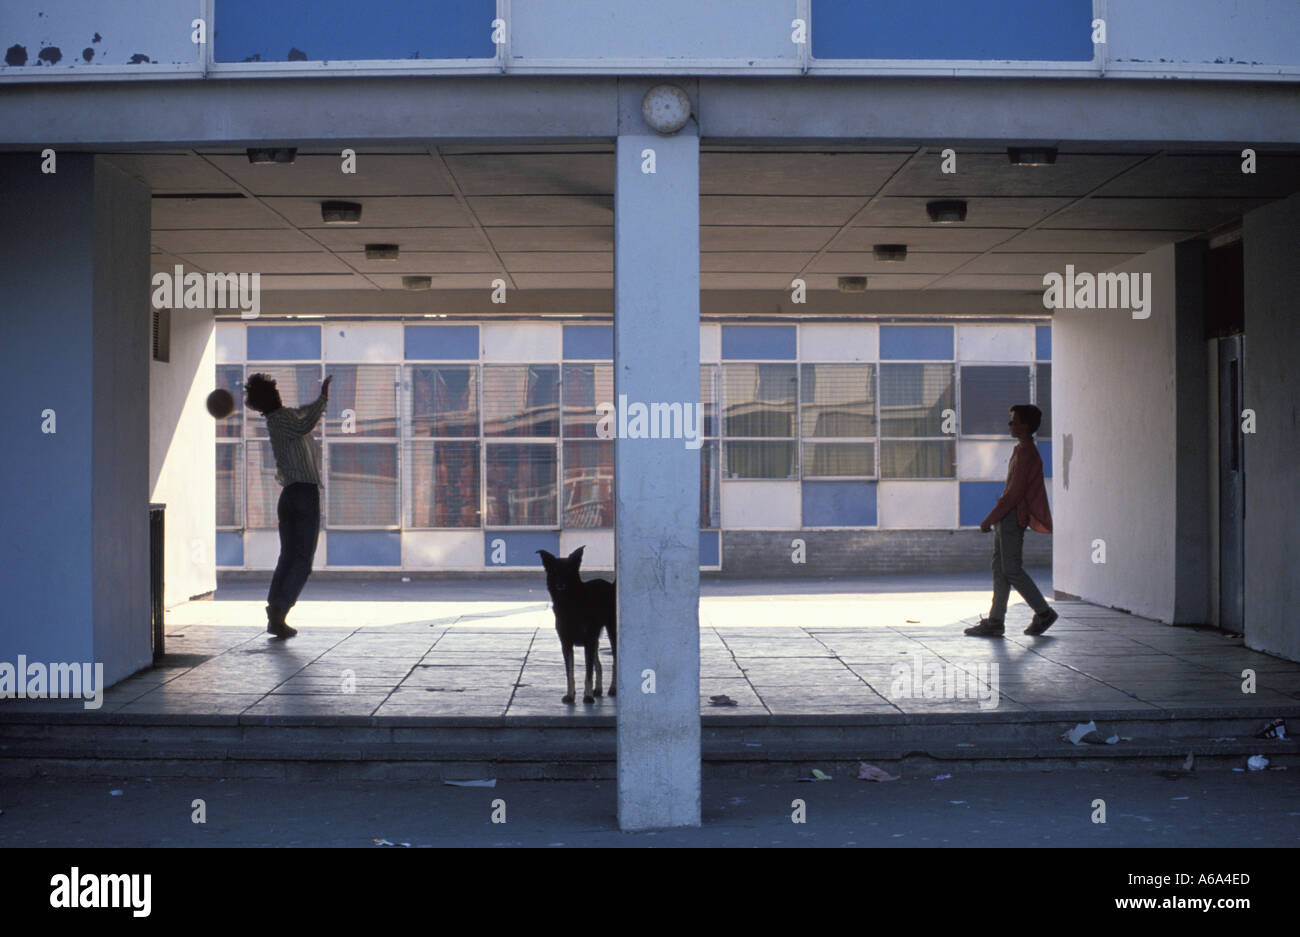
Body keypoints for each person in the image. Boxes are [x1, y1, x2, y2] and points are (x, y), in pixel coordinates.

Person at [244, 372, 332, 639]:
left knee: (288, 557)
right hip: (303, 494)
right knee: (302, 560)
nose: (279, 393)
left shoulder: (283, 417)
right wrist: (324, 398)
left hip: (291, 495)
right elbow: (304, 425)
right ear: (270, 398)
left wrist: (317, 402)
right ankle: (279, 611)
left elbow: (303, 414)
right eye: (274, 391)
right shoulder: (281, 419)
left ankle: (276, 613)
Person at [965, 404, 1058, 638]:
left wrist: (989, 519)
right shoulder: (1021, 450)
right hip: (1007, 518)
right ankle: (996, 620)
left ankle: (1043, 612)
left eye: (1014, 421)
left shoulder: (1027, 454)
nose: (1010, 424)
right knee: (1001, 569)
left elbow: (1014, 494)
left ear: (1025, 426)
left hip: (1012, 518)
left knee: (1011, 570)